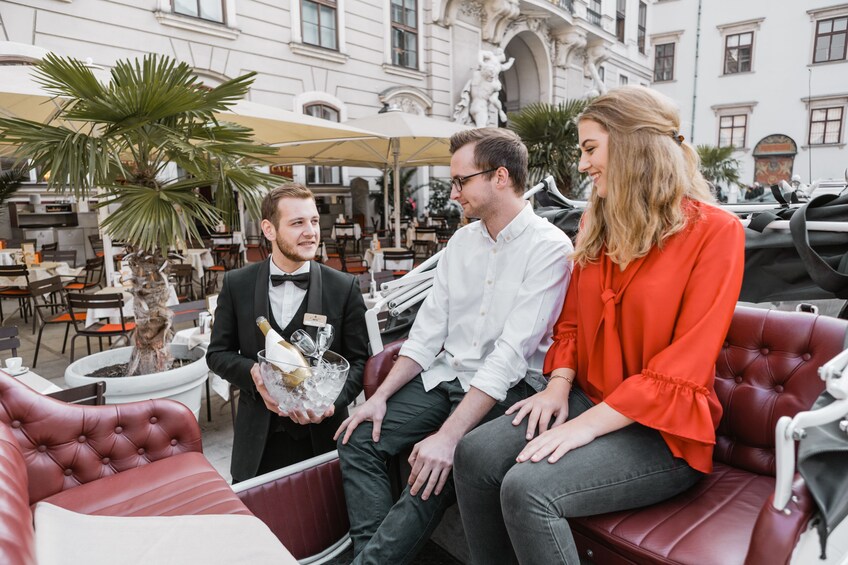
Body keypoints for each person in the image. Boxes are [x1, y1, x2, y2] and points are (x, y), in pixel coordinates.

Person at [453, 86, 746, 564]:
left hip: (663, 433)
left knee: (528, 489)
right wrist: (557, 386)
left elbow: (683, 368)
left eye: (591, 149)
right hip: (588, 395)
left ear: (634, 145)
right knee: (474, 455)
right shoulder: (595, 221)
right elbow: (570, 321)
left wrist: (584, 426)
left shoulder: (717, 232)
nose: (583, 164)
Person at [335, 128, 573, 564]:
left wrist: (447, 437)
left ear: (500, 177)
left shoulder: (550, 247)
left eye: (461, 181)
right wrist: (379, 397)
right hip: (446, 376)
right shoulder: (461, 242)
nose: (453, 193)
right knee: (358, 437)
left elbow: (509, 358)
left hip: (510, 392)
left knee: (431, 471)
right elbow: (426, 336)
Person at [206, 183, 368, 483]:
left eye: (314, 221)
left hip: (323, 440)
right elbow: (217, 355)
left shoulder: (343, 287)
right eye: (297, 223)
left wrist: (331, 403)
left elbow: (360, 361)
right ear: (269, 229)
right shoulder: (236, 284)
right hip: (257, 443)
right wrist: (254, 373)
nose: (311, 232)